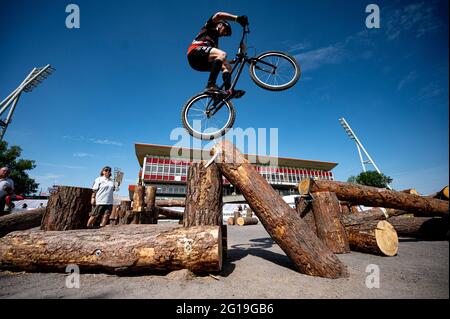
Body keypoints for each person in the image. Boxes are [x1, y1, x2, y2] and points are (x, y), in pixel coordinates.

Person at [187, 12, 249, 97]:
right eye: (225, 30)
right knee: (222, 53)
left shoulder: (215, 43)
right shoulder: (210, 26)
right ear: (220, 25)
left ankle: (228, 91)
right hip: (194, 53)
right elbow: (218, 15)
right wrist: (237, 19)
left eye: (226, 34)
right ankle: (210, 85)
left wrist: (232, 61)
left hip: (199, 63)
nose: (224, 34)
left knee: (227, 66)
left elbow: (220, 59)